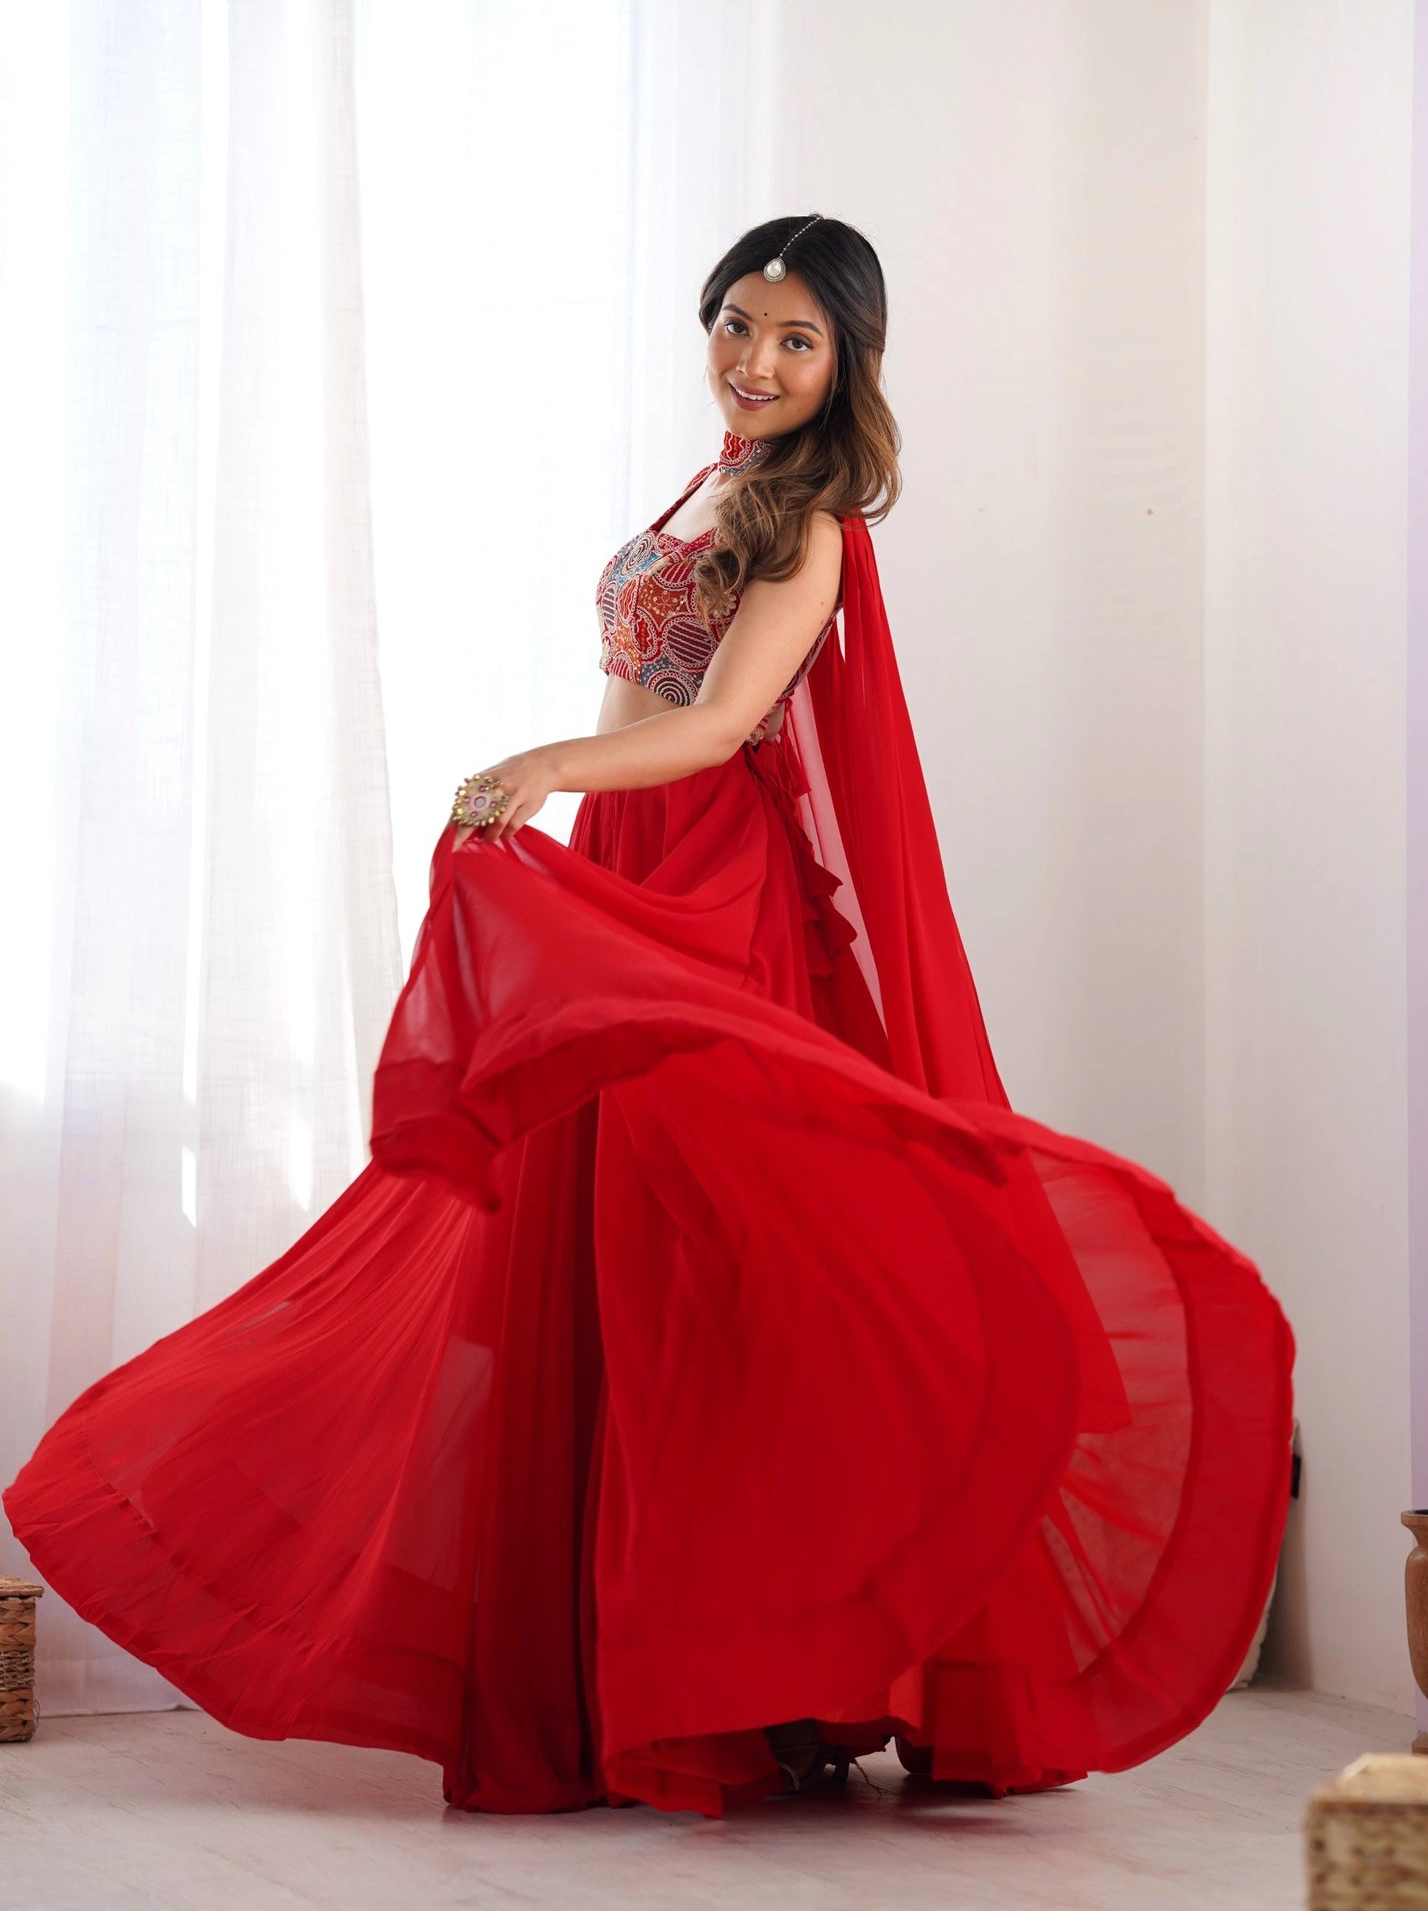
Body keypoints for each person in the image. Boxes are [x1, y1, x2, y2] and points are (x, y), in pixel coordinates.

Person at [4, 214, 1296, 1820]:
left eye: (797, 340)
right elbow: (648, 700)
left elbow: (721, 729)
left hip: (712, 897)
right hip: (623, 874)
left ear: (849, 366)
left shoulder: (813, 523)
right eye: (738, 322)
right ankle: (642, 1672)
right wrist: (563, 835)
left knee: (708, 1288)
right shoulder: (704, 490)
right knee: (600, 1265)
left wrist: (545, 767)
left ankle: (753, 1690)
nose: (756, 360)